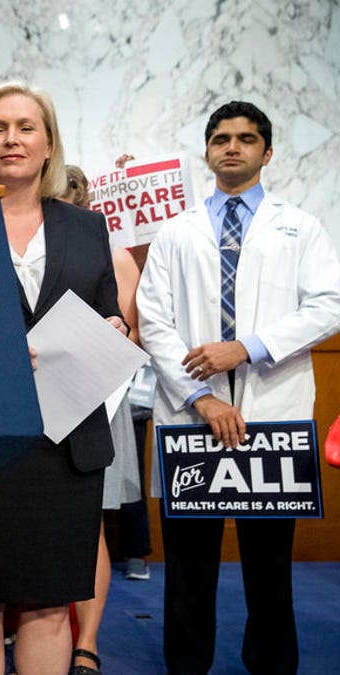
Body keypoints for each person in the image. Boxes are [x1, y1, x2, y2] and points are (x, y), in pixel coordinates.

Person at [137, 100, 340, 675]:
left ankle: (272, 664)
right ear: (207, 152)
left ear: (266, 152)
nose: (233, 146)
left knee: (270, 559)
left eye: (246, 139)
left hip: (272, 412)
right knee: (189, 561)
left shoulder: (301, 227)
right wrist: (200, 396)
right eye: (222, 138)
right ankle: (187, 664)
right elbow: (154, 318)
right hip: (191, 414)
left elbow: (329, 304)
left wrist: (246, 347)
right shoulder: (176, 232)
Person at [0, 84, 126, 675]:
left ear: (49, 142)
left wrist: (114, 326)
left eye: (26, 127)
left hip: (67, 445)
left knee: (50, 607)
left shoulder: (87, 229)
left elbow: (111, 310)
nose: (12, 140)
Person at [61, 164, 143, 675]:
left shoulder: (113, 255)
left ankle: (86, 644)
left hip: (95, 401)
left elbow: (127, 335)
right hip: (36, 402)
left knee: (89, 528)